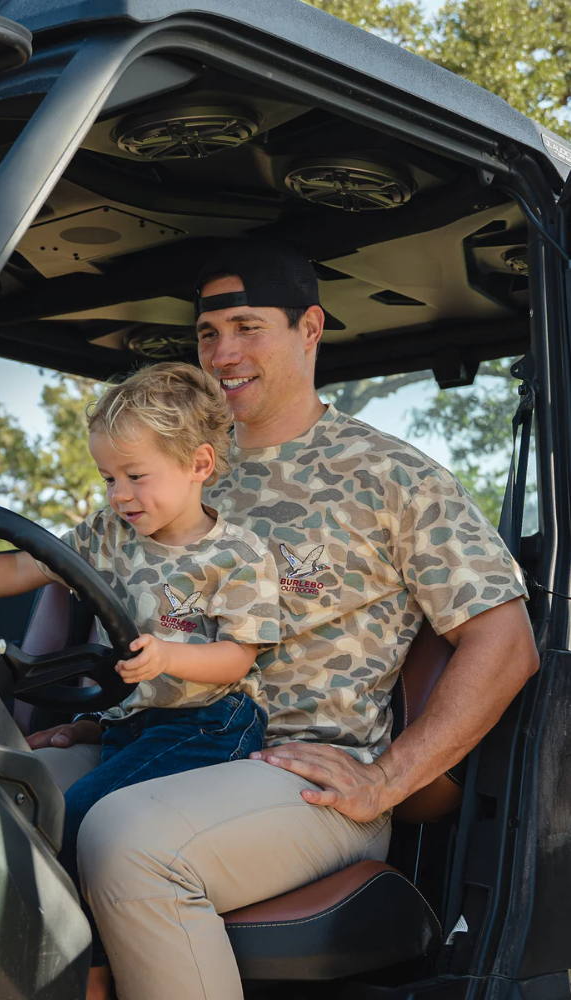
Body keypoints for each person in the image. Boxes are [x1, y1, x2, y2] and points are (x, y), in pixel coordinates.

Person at [27, 241, 540, 1000]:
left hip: (305, 781)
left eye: (246, 326)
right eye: (208, 334)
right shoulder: (177, 465)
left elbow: (506, 644)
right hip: (171, 747)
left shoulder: (392, 477)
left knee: (126, 840)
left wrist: (383, 780)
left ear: (308, 328)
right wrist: (109, 723)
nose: (223, 353)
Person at [0, 361, 280, 995]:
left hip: (211, 725)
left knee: (84, 814)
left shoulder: (237, 553)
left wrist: (169, 658)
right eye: (108, 478)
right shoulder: (110, 535)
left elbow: (237, 658)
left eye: (136, 476)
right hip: (136, 724)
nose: (120, 494)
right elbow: (23, 569)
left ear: (199, 464)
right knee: (19, 805)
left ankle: (87, 979)